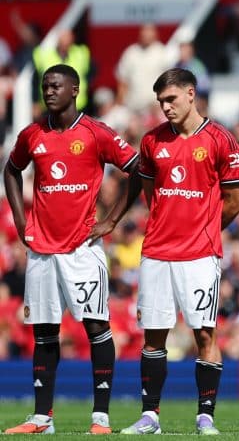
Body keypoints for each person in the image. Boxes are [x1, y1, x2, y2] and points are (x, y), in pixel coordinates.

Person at [3, 64, 139, 434]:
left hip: (82, 249)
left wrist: (111, 220)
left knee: (97, 327)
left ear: (74, 89)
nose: (49, 91)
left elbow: (138, 168)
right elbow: (11, 170)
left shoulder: (96, 132)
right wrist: (20, 220)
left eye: (56, 85)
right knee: (44, 332)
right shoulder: (33, 134)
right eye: (45, 85)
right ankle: (41, 418)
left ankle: (101, 417)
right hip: (42, 250)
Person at [120, 68, 239, 435]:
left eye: (171, 99)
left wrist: (201, 229)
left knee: (205, 334)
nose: (165, 107)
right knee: (153, 334)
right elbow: (149, 193)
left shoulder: (222, 140)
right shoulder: (151, 141)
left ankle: (205, 416)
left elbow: (235, 203)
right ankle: (150, 417)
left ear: (191, 94)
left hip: (200, 254)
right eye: (160, 102)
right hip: (156, 251)